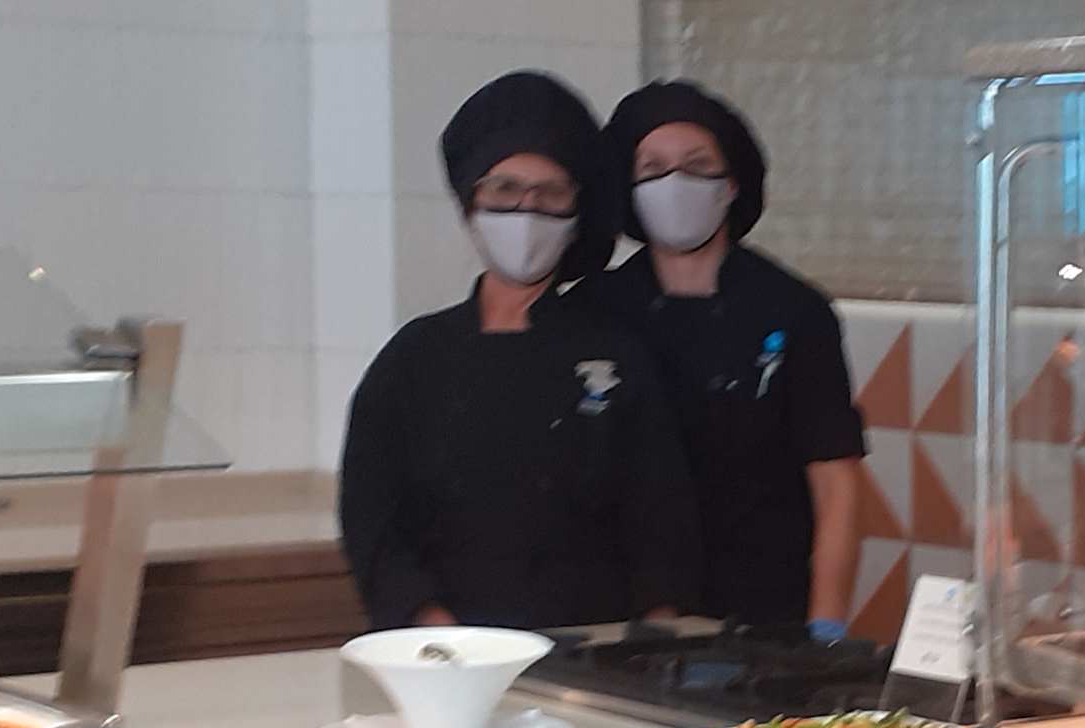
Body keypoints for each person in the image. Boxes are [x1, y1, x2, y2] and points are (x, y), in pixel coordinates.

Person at [339, 71, 699, 632]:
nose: (527, 211)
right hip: (446, 652)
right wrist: (437, 632)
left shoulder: (618, 356)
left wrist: (653, 639)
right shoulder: (413, 359)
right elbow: (372, 517)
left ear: (575, 214)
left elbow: (661, 521)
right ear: (470, 205)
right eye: (505, 190)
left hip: (593, 651)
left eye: (550, 194)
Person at [592, 81, 867, 641]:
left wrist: (827, 625)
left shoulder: (794, 310)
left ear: (733, 183)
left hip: (764, 610)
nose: (675, 184)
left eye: (698, 166)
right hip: (617, 614)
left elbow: (836, 483)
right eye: (653, 169)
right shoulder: (594, 312)